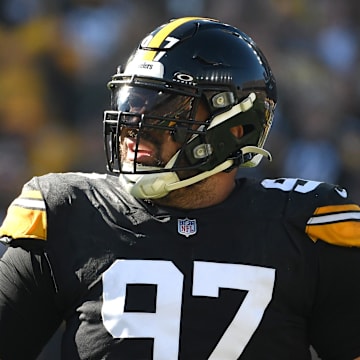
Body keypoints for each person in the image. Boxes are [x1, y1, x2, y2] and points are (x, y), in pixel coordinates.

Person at [0, 16, 360, 360]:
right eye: (134, 99)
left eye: (164, 105)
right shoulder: (67, 213)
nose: (133, 122)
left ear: (234, 129)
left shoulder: (303, 228)